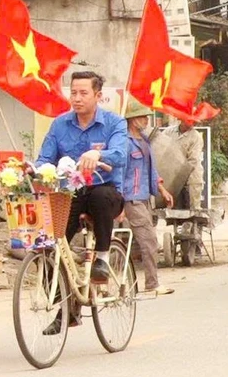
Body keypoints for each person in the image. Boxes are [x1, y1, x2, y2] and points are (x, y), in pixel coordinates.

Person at [35, 71, 126, 333]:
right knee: (48, 245)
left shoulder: (114, 123)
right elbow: (45, 158)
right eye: (73, 92)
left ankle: (102, 257)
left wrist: (97, 154)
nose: (77, 98)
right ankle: (67, 308)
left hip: (104, 191)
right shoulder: (60, 125)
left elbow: (120, 154)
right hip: (70, 194)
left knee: (98, 196)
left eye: (83, 93)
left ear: (98, 96)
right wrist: (34, 171)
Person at [120, 101, 175, 296]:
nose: (146, 120)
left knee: (141, 242)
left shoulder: (143, 140)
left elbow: (150, 170)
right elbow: (120, 172)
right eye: (142, 117)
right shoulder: (124, 143)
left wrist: (161, 189)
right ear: (133, 120)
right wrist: (119, 202)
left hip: (144, 198)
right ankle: (152, 283)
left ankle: (140, 282)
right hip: (131, 198)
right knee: (150, 240)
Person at [163, 116, 205, 211]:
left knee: (194, 185)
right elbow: (161, 145)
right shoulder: (168, 132)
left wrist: (181, 172)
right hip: (172, 168)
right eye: (189, 120)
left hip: (191, 170)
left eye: (193, 121)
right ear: (181, 119)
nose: (191, 123)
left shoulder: (196, 137)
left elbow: (193, 159)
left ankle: (195, 213)